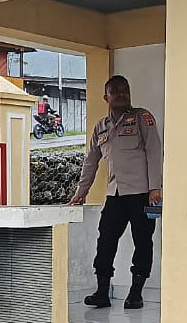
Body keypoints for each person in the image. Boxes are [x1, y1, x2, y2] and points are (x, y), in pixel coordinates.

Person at [69, 75, 163, 309]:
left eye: (125, 90)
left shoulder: (142, 118)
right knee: (106, 240)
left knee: (143, 242)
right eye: (116, 91)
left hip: (142, 193)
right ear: (106, 97)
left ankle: (136, 292)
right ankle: (102, 291)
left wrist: (155, 188)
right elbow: (91, 161)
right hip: (115, 194)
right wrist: (81, 192)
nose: (121, 94)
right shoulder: (101, 127)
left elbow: (154, 151)